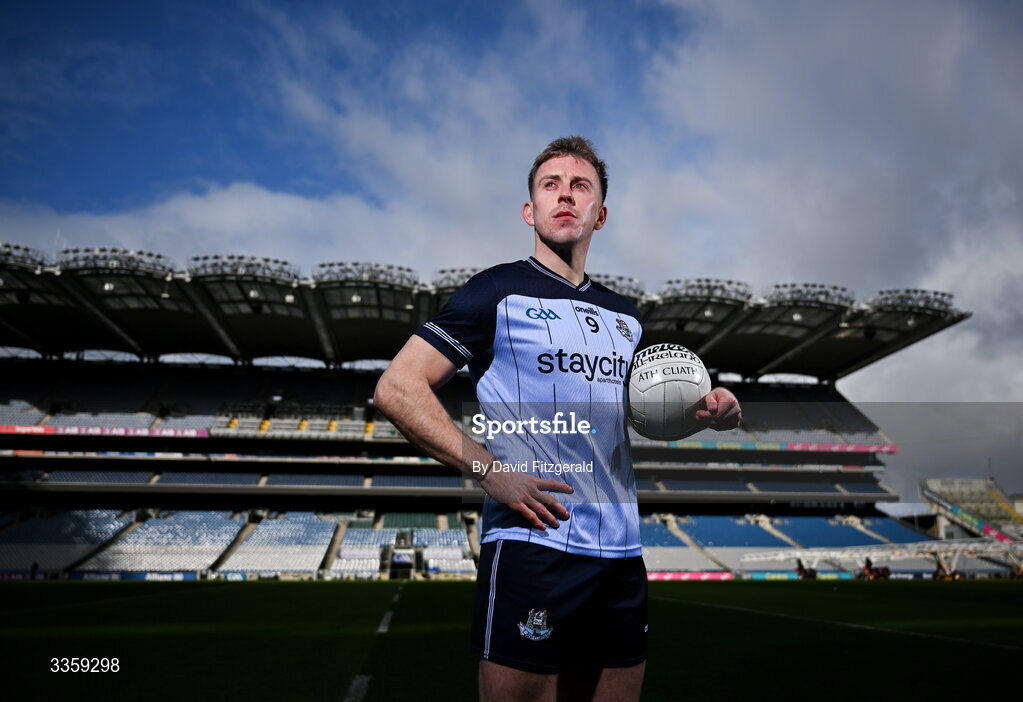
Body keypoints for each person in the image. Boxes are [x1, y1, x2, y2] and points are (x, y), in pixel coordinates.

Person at [374, 136, 741, 701]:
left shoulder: (627, 318)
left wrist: (704, 416)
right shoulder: (495, 291)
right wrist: (486, 466)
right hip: (533, 543)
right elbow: (398, 386)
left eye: (580, 186)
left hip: (620, 553)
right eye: (551, 185)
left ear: (601, 213)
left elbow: (633, 420)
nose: (565, 196)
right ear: (530, 210)